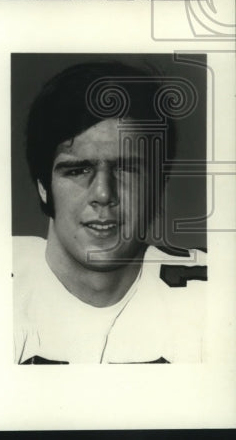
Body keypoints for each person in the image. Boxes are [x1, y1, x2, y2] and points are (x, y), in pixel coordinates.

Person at [13, 61, 206, 364]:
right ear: (42, 186)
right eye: (78, 170)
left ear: (159, 185)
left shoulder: (215, 296)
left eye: (127, 168)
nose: (104, 194)